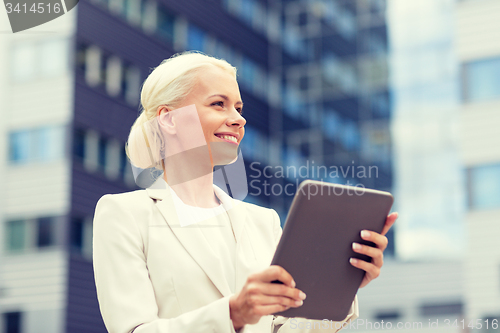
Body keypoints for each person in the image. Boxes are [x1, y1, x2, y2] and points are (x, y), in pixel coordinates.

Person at [92, 51, 398, 333]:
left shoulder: (262, 222)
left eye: (238, 107)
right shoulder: (124, 215)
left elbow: (284, 328)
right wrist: (233, 313)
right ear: (169, 119)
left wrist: (342, 283)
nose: (239, 118)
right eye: (218, 104)